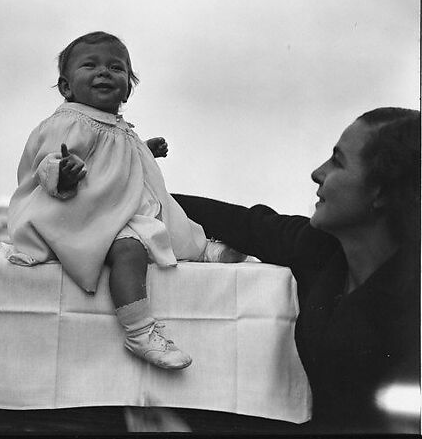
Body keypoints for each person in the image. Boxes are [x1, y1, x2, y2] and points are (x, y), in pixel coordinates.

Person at [173, 107, 420, 433]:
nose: (317, 172)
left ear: (381, 192)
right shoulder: (322, 248)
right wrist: (129, 190)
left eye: (338, 161)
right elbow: (245, 224)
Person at [7, 31, 243, 371]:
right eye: (90, 65)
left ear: (128, 88)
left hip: (111, 207)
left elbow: (113, 160)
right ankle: (139, 330)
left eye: (116, 68)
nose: (104, 72)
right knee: (129, 248)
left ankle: (200, 248)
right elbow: (44, 162)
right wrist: (63, 170)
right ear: (66, 87)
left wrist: (144, 149)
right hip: (79, 214)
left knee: (164, 212)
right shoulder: (69, 122)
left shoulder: (118, 127)